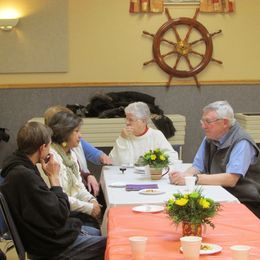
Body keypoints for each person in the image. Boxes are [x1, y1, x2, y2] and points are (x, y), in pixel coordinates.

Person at [0, 121, 106, 259]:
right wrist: (54, 177)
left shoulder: (19, 168)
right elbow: (60, 213)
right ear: (42, 148)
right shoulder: (24, 176)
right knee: (113, 244)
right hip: (52, 247)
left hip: (46, 239)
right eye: (49, 146)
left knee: (97, 231)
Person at [169, 100, 260, 218]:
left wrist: (193, 179)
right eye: (202, 121)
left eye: (208, 121)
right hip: (219, 194)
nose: (203, 126)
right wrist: (182, 177)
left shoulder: (242, 142)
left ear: (225, 123)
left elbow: (231, 179)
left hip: (245, 202)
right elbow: (198, 166)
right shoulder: (210, 137)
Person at [47, 111, 103, 228]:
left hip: (73, 209)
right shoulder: (52, 158)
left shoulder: (70, 153)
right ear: (65, 133)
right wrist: (89, 208)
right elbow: (61, 197)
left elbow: (78, 186)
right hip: (62, 217)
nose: (80, 135)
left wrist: (91, 200)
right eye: (76, 131)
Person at [44, 105, 112, 197]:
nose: (80, 135)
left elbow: (96, 156)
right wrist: (89, 206)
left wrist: (88, 175)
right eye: (75, 130)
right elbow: (65, 193)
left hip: (82, 186)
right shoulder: (52, 155)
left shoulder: (71, 149)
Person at [109, 101, 179, 166]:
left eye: (131, 120)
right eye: (126, 119)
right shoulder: (125, 136)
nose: (127, 122)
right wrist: (122, 139)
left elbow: (172, 158)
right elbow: (113, 162)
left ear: (144, 121)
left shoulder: (156, 135)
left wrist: (155, 164)